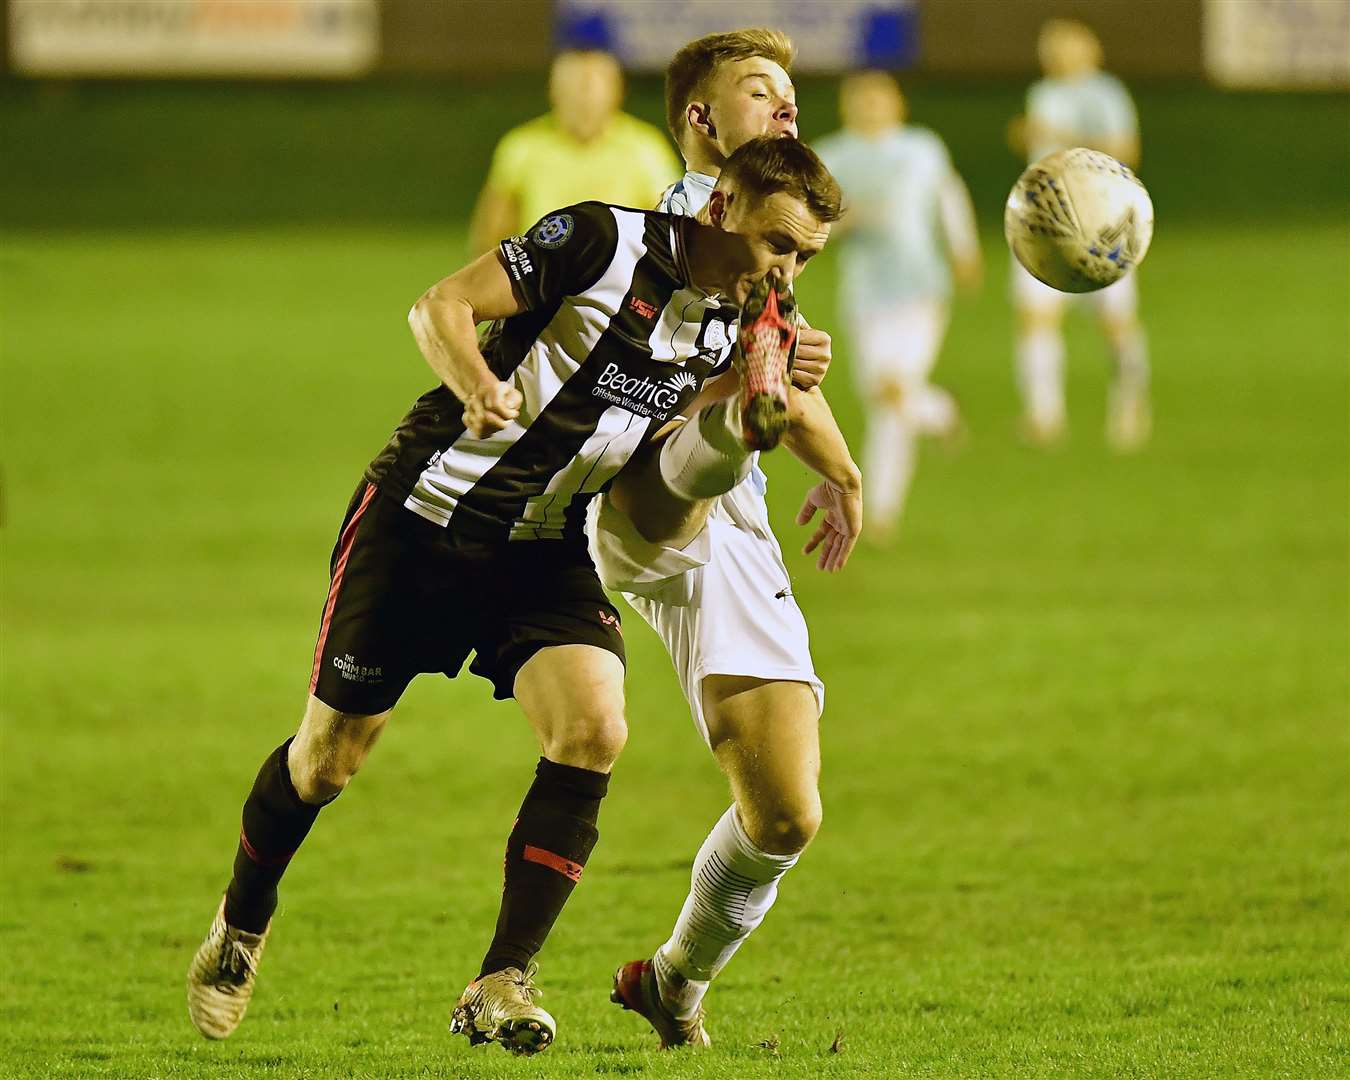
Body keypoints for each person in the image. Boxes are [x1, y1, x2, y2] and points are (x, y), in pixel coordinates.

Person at [184, 135, 842, 1057]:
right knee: (327, 762)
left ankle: (501, 977)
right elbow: (440, 304)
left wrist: (828, 464)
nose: (787, 268)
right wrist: (476, 381)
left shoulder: (745, 313)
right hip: (423, 518)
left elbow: (732, 413)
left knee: (595, 728)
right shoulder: (600, 241)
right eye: (779, 244)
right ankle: (239, 929)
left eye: (806, 254)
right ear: (721, 209)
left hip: (543, 543)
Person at [595, 28, 862, 1049]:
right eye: (761, 91)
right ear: (701, 123)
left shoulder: (768, 245)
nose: (787, 105)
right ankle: (721, 430)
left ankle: (673, 981)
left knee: (787, 813)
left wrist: (837, 468)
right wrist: (769, 384)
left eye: (793, 93)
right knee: (722, 415)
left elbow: (777, 357)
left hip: (728, 524)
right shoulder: (681, 216)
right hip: (633, 485)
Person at [816, 70, 981, 540]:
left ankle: (880, 511)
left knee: (890, 395)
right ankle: (939, 411)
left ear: (897, 103)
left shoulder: (921, 147)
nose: (870, 105)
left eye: (878, 97)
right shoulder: (833, 156)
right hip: (866, 291)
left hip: (920, 285)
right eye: (860, 98)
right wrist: (849, 222)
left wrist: (963, 248)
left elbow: (949, 196)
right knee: (883, 396)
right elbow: (815, 222)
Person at [1008, 18, 1150, 451]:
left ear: (1090, 49)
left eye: (1065, 45)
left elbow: (1126, 152)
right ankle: (1043, 415)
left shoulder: (1104, 92)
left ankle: (1130, 406)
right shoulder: (1043, 92)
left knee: (1115, 323)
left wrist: (1061, 137)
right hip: (1045, 223)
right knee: (1036, 318)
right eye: (1049, 46)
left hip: (1102, 221)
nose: (1054, 53)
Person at [469, 48, 681, 255]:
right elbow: (493, 228)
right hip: (542, 277)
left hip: (620, 279)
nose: (584, 101)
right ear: (554, 92)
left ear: (617, 93)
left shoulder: (644, 147)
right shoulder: (523, 146)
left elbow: (672, 222)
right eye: (573, 89)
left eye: (594, 89)